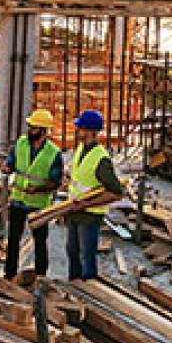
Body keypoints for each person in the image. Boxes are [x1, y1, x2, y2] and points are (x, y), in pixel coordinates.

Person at [2, 109, 63, 281]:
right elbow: (11, 162)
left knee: (40, 242)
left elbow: (56, 182)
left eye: (34, 128)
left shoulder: (53, 153)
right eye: (30, 127)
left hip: (38, 204)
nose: (29, 130)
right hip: (18, 201)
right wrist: (7, 166)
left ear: (44, 131)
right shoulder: (21, 143)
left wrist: (38, 190)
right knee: (13, 241)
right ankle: (9, 275)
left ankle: (41, 277)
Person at [62, 109, 121, 281]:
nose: (77, 130)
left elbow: (116, 193)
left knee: (87, 256)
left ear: (89, 131)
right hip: (74, 210)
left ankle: (89, 290)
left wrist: (86, 204)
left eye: (79, 128)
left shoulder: (101, 158)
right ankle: (74, 285)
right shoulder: (81, 148)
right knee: (72, 251)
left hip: (89, 216)